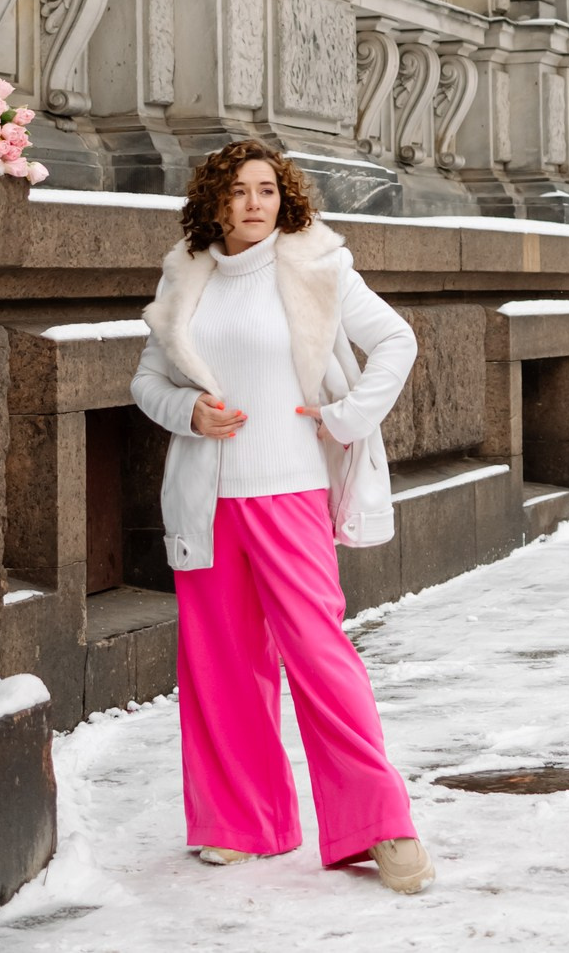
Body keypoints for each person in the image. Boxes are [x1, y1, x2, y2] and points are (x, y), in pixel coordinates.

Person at [131, 138, 434, 895]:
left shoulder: (316, 266)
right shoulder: (186, 277)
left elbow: (396, 340)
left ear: (284, 196)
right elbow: (146, 381)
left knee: (321, 660)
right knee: (221, 667)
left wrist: (347, 415)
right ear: (215, 201)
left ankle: (382, 826)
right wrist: (188, 410)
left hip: (290, 491)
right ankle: (241, 822)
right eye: (238, 191)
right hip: (208, 501)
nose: (255, 203)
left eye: (266, 189)